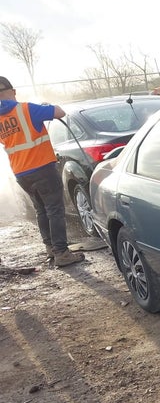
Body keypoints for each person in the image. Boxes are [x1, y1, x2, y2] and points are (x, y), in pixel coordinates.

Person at [0, 76, 84, 267]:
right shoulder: (27, 109)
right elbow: (60, 112)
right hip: (43, 169)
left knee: (41, 210)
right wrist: (47, 105)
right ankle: (61, 252)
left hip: (21, 173)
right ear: (12, 91)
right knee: (55, 209)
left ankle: (51, 248)